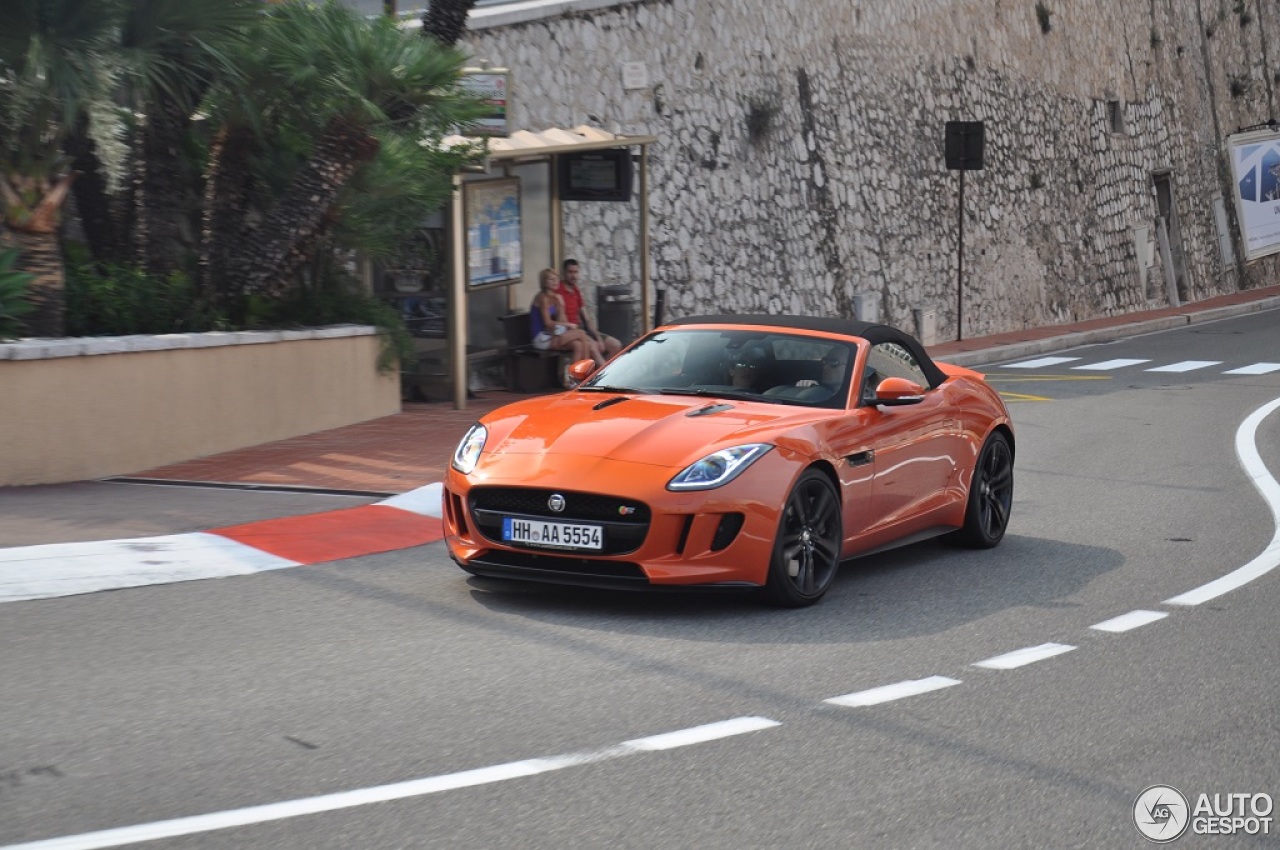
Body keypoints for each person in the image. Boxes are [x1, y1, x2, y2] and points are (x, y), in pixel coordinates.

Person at [530, 268, 605, 368]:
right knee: (581, 333)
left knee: (578, 345)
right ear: (544, 282)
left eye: (556, 279)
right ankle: (586, 371)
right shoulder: (542, 298)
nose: (555, 282)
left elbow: (561, 320)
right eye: (551, 279)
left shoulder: (555, 297)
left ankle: (573, 379)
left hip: (552, 334)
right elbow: (547, 323)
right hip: (541, 338)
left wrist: (561, 305)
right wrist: (568, 325)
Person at [557, 258, 622, 359]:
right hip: (570, 332)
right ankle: (602, 374)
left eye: (575, 272)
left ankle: (599, 370)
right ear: (564, 273)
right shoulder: (558, 291)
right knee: (594, 347)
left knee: (616, 345)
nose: (573, 276)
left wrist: (598, 337)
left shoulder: (576, 291)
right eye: (570, 272)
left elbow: (587, 319)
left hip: (582, 330)